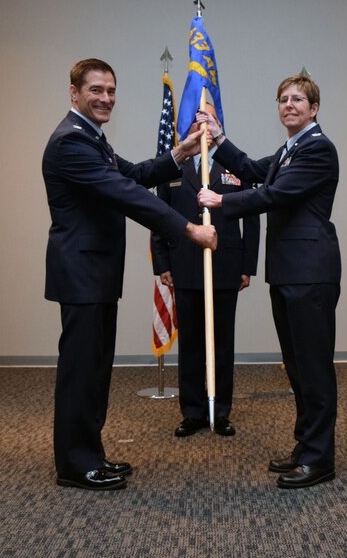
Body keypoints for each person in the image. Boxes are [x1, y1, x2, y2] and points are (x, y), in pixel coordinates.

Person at [42, 58, 217, 491]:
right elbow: (126, 194)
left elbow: (134, 175)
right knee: (81, 371)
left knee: (96, 370)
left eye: (111, 91)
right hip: (81, 274)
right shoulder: (71, 142)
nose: (105, 99)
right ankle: (75, 465)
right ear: (74, 92)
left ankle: (89, 454)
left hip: (95, 274)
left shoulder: (92, 139)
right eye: (96, 90)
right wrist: (188, 227)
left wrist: (183, 151)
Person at [197, 74, 341, 489]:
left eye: (298, 99)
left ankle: (320, 459)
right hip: (289, 273)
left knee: (313, 369)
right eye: (283, 99)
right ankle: (306, 446)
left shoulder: (318, 149)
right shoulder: (290, 149)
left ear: (314, 108)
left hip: (311, 273)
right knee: (297, 368)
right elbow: (253, 171)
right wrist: (220, 140)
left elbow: (273, 195)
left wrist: (222, 200)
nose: (289, 105)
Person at [151, 103, 260, 437]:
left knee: (222, 342)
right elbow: (158, 218)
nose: (202, 126)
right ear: (187, 126)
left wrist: (247, 266)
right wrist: (162, 264)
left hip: (226, 266)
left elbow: (252, 219)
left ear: (217, 124)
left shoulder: (236, 165)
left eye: (207, 120)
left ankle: (221, 410)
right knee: (192, 345)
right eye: (196, 121)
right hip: (183, 266)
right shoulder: (172, 169)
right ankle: (193, 412)